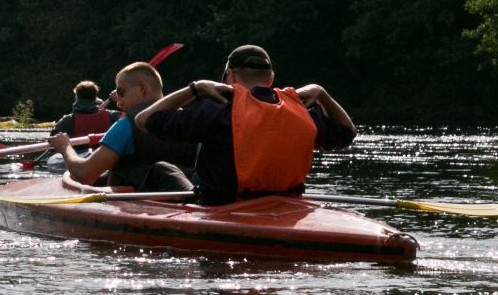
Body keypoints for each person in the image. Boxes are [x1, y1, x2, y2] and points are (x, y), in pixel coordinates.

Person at [135, 44, 355, 206]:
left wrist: (195, 88)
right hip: (287, 208)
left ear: (230, 77)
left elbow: (144, 120)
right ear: (271, 79)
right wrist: (321, 94)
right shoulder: (301, 112)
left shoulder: (218, 109)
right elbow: (348, 132)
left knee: (161, 170)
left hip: (224, 209)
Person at [49, 62, 195, 193]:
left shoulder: (126, 125)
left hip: (140, 208)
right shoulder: (189, 121)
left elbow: (85, 174)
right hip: (190, 199)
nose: (118, 103)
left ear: (142, 89)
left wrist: (65, 147)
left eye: (121, 93)